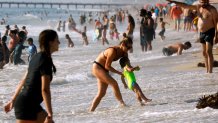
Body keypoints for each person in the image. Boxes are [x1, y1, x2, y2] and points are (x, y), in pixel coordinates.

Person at [4, 29, 59, 123]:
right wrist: (50, 114)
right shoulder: (45, 60)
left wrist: (13, 99)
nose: (59, 42)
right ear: (50, 42)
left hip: (28, 103)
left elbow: (23, 80)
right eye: (57, 40)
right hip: (27, 104)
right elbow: (45, 90)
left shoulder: (36, 57)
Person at [167, 0, 218, 73]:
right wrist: (175, 2)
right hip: (201, 32)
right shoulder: (198, 7)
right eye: (202, 2)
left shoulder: (212, 10)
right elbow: (185, 5)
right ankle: (207, 70)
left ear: (208, 1)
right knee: (204, 52)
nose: (203, 4)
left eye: (205, 2)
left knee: (208, 51)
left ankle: (210, 71)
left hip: (210, 31)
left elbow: (216, 23)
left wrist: (216, 35)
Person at [89, 36, 133, 112]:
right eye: (127, 47)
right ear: (122, 44)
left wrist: (132, 69)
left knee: (101, 93)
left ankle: (90, 111)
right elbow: (107, 66)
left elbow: (126, 64)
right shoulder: (112, 51)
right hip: (97, 67)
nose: (128, 50)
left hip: (104, 70)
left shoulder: (124, 53)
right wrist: (120, 73)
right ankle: (122, 103)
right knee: (114, 84)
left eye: (130, 48)